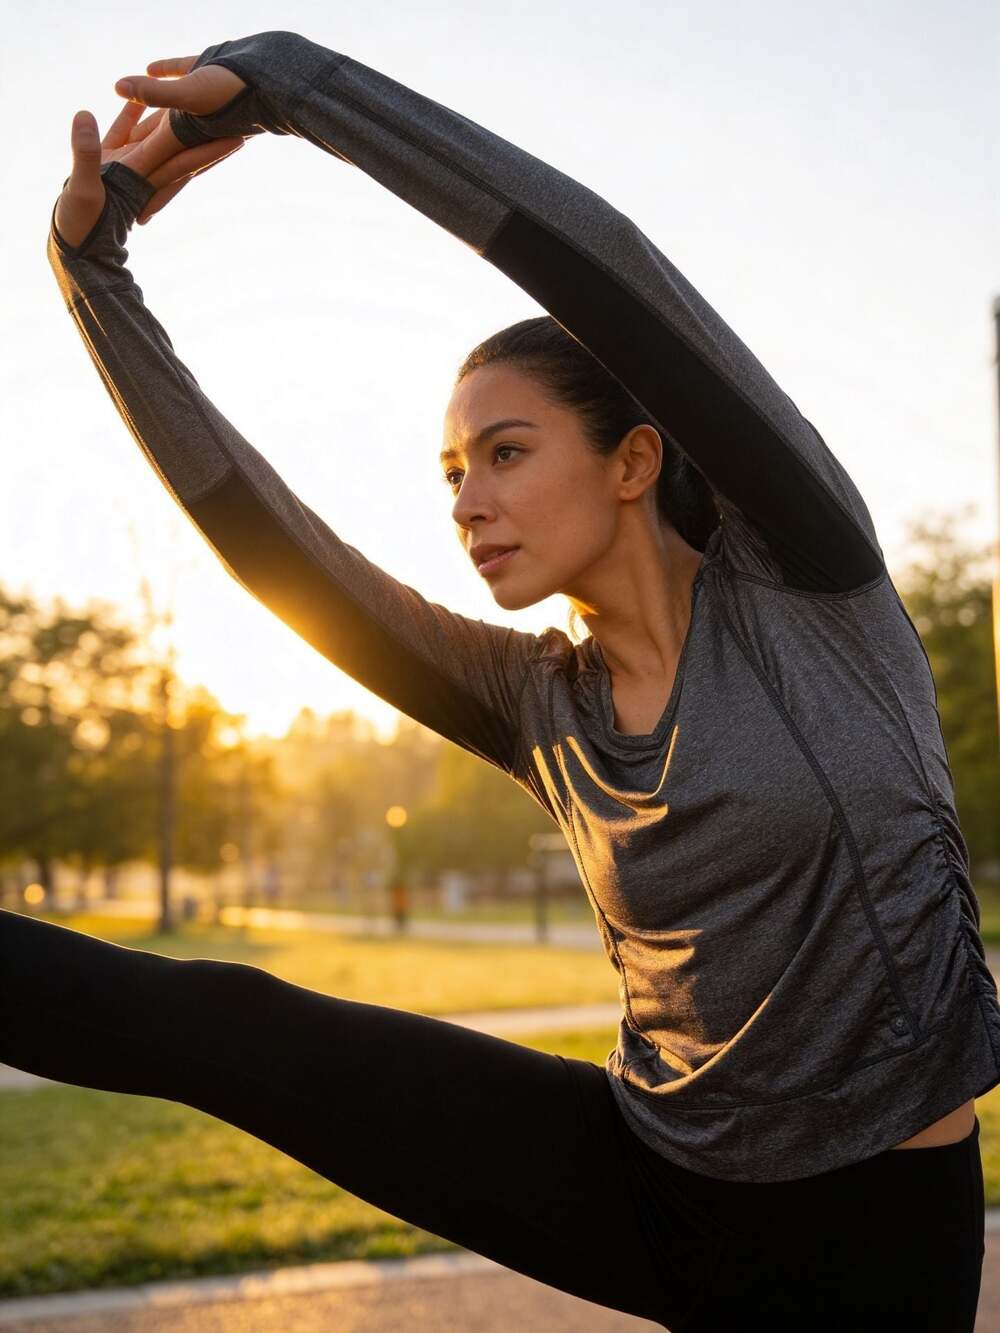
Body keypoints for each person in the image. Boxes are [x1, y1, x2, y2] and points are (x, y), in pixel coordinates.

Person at [8, 29, 995, 1329]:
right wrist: (92, 272)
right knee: (224, 1021)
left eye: (507, 451)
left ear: (637, 458)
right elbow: (267, 543)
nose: (470, 501)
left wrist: (297, 88)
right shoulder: (537, 702)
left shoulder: (813, 580)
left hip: (877, 1227)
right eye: (452, 473)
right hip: (650, 1180)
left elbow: (609, 264)